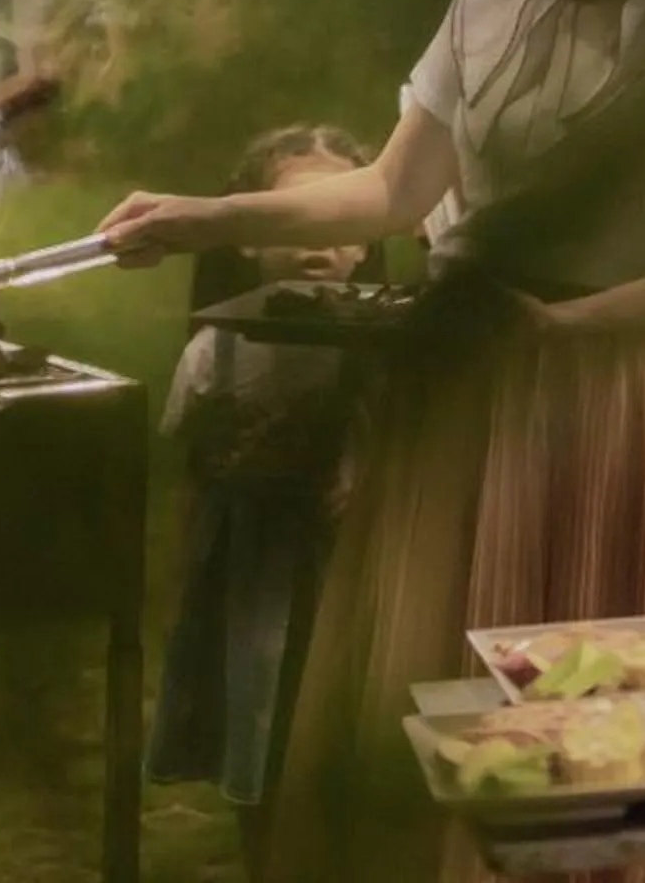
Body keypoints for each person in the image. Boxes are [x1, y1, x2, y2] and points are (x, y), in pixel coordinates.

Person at [98, 0, 645, 883]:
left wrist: (562, 323)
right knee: (435, 714)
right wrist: (200, 217)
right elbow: (390, 191)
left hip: (598, 396)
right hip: (461, 380)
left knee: (591, 739)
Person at [146, 125, 375, 878]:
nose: (316, 241)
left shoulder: (384, 347)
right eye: (288, 220)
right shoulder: (219, 348)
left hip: (351, 569)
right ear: (245, 237)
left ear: (367, 236)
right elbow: (194, 464)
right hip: (249, 570)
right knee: (256, 724)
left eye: (336, 219)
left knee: (348, 732)